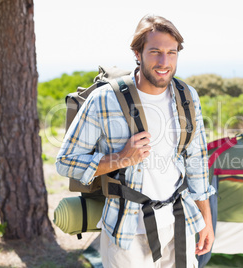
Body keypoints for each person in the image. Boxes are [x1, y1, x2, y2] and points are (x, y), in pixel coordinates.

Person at [56, 15, 215, 267]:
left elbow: (196, 161)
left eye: (171, 53)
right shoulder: (105, 100)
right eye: (155, 52)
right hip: (125, 231)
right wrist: (120, 159)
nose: (164, 62)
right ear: (137, 53)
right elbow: (65, 162)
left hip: (180, 224)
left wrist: (206, 220)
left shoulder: (187, 96)